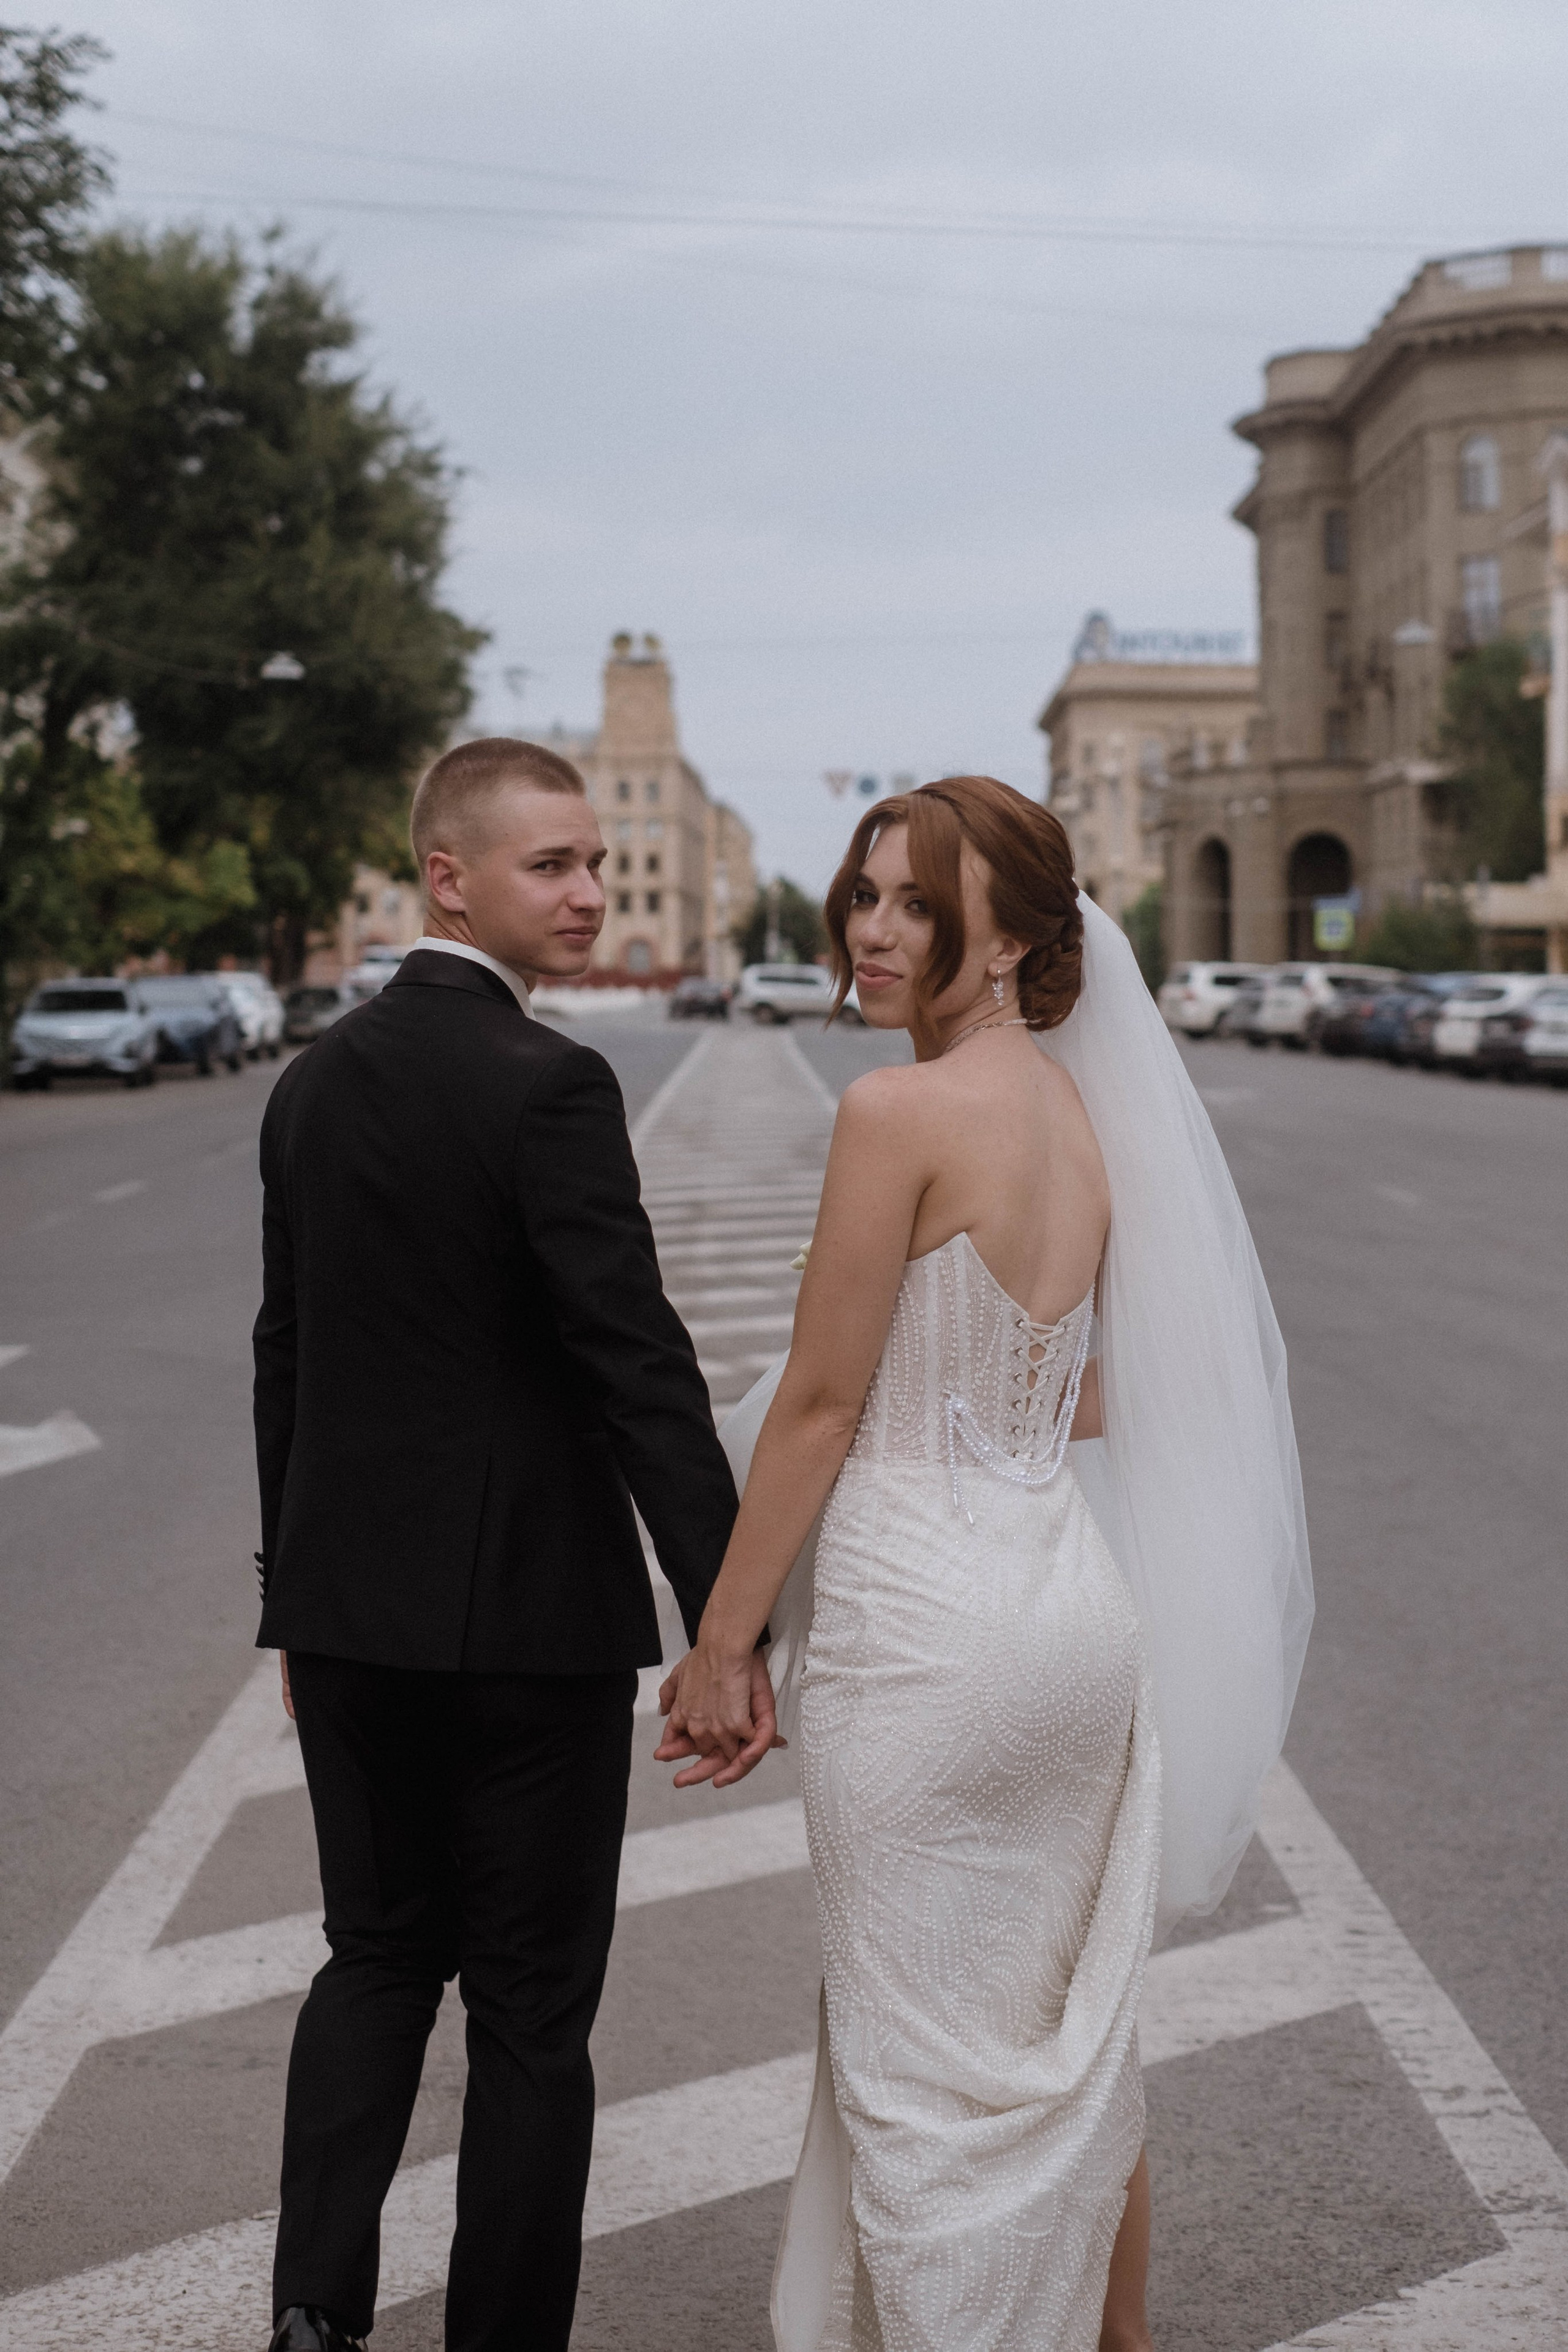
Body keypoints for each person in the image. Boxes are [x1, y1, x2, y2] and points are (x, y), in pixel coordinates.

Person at [657, 776, 1312, 2352]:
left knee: (919, 2092)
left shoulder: (895, 1116)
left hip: (920, 1642)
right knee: (1069, 2056)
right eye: (863, 897)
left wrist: (723, 1646)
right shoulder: (1085, 1127)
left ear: (1013, 935)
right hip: (1068, 1625)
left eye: (916, 906)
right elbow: (1087, 1393)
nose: (873, 934)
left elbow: (819, 1407)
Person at [252, 738, 770, 2352]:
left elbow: (290, 1359)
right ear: (449, 876)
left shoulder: (314, 1081)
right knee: (535, 2019)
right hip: (529, 1632)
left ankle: (315, 2315)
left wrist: (292, 1605)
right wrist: (728, 1620)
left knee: (375, 1961)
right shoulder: (549, 1083)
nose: (592, 891)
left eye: (596, 864)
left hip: (350, 1624)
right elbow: (636, 1363)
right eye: (554, 864)